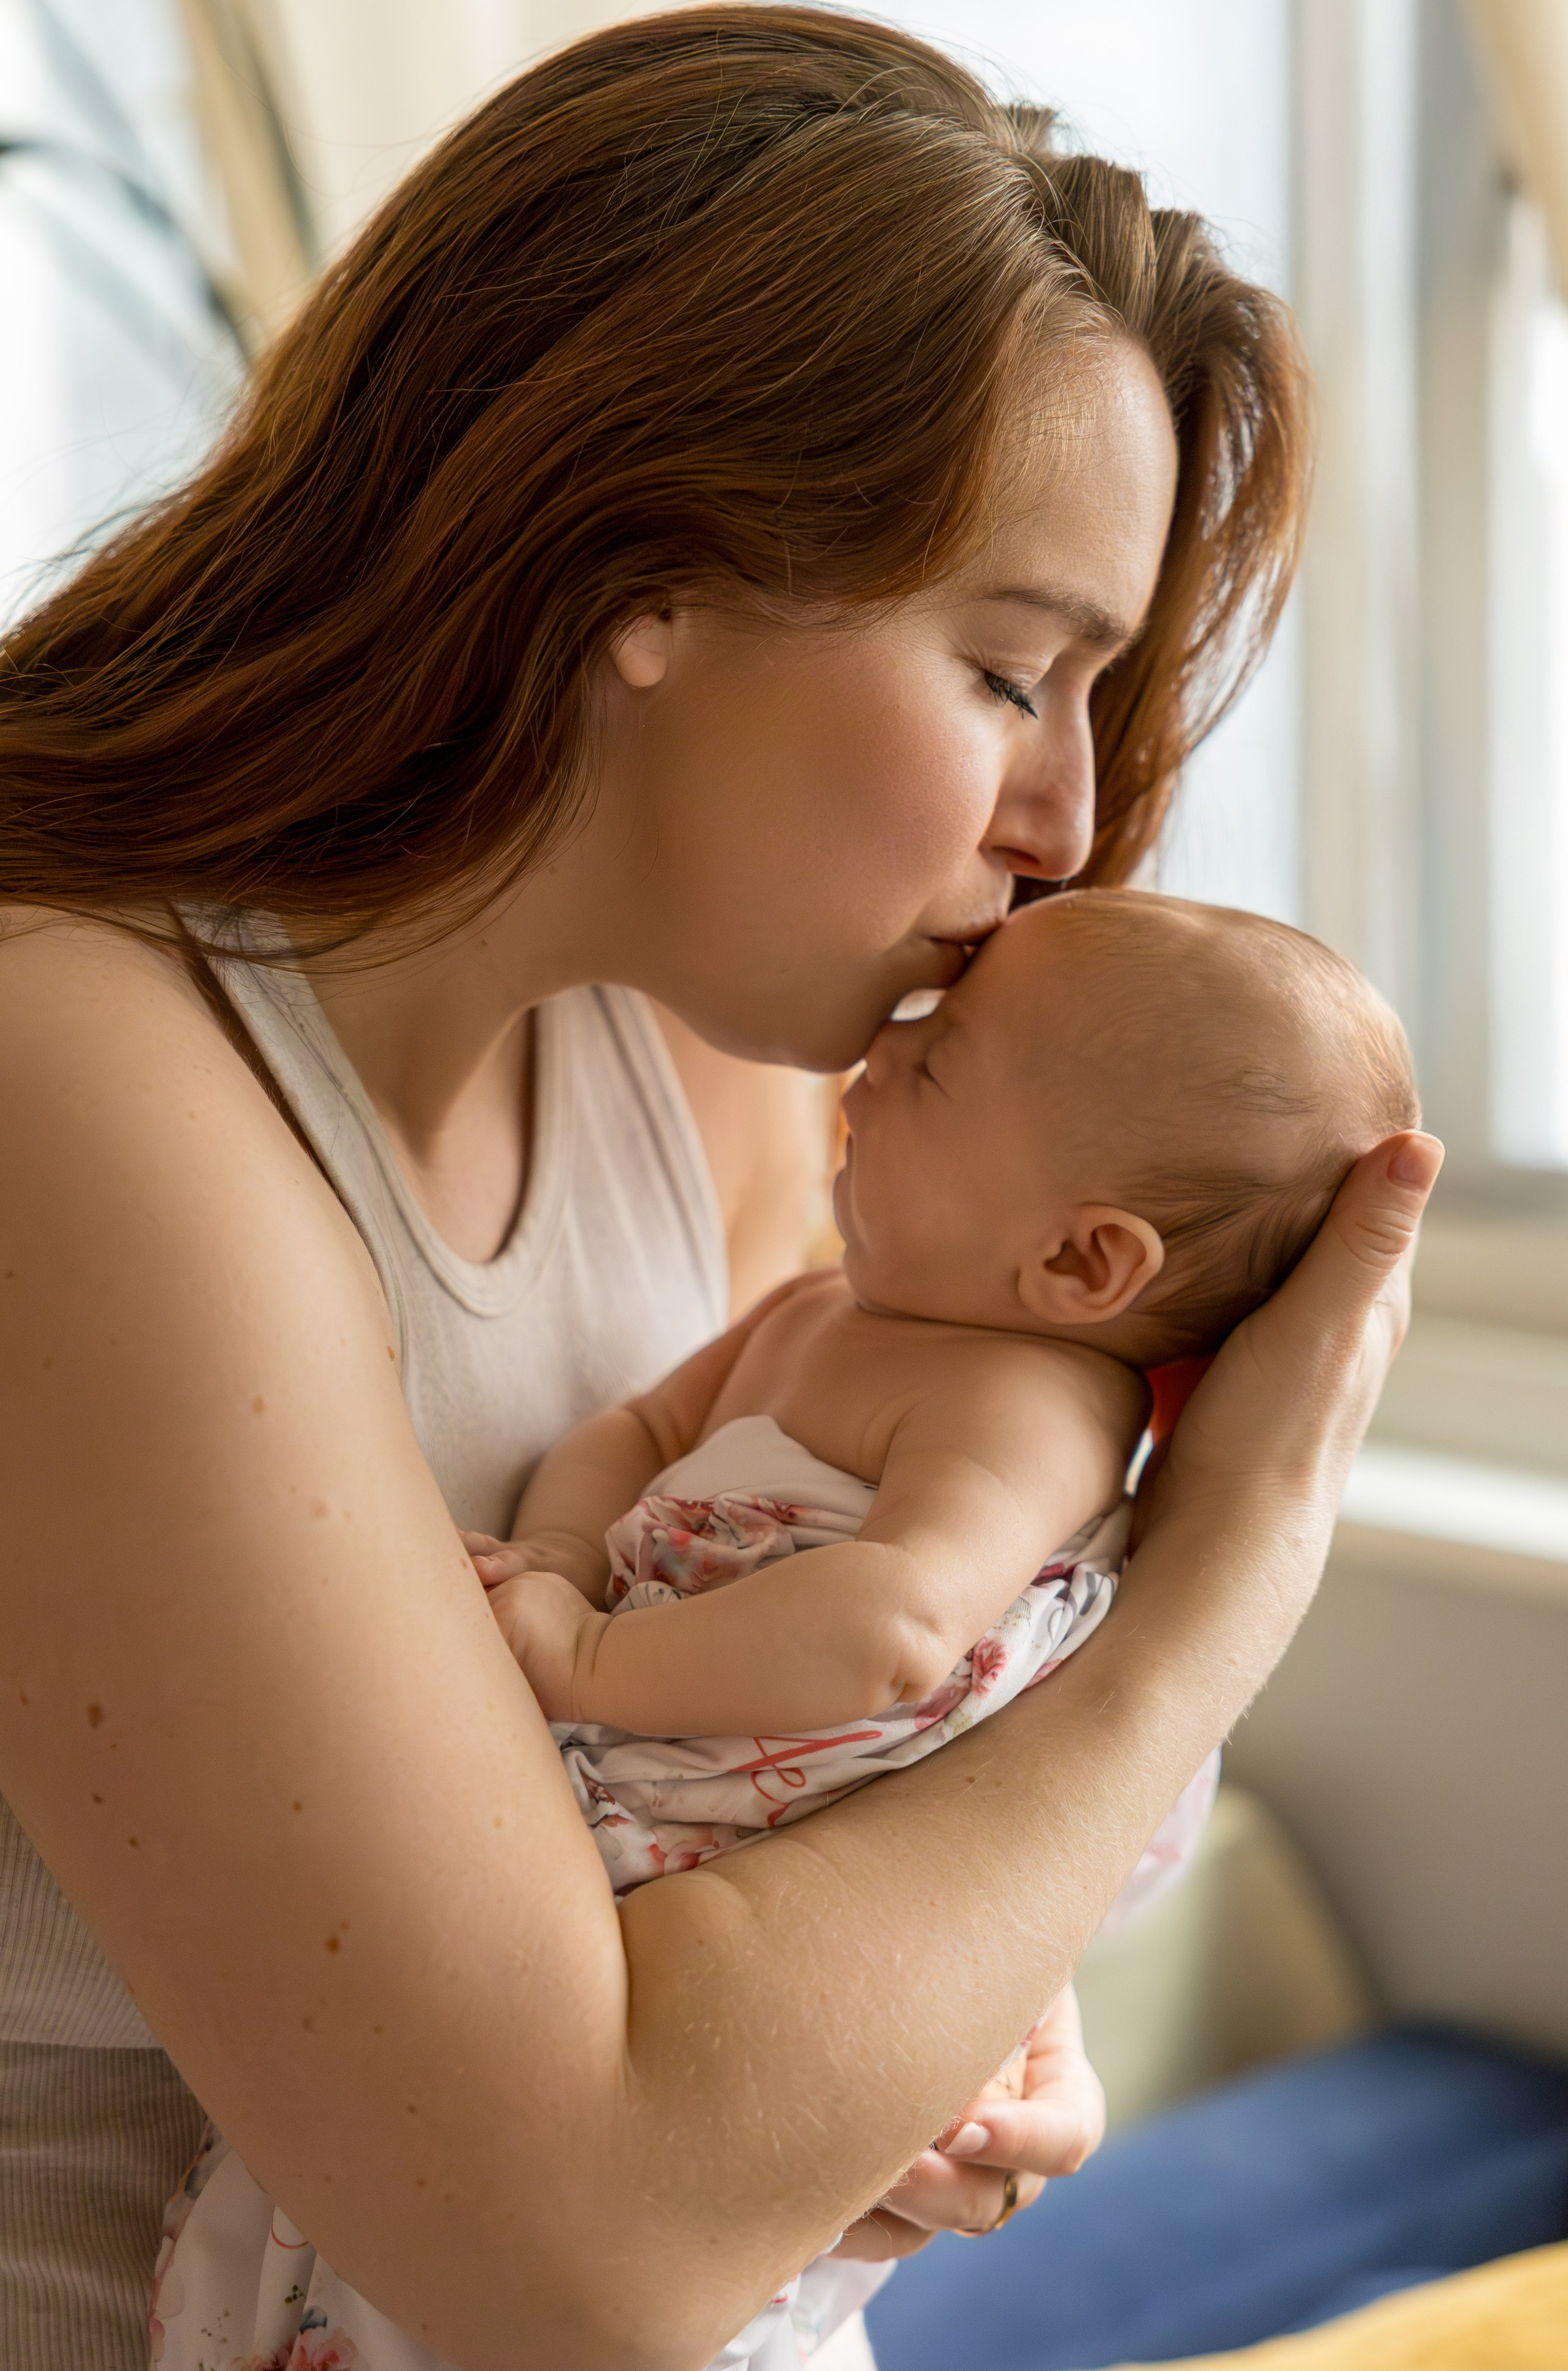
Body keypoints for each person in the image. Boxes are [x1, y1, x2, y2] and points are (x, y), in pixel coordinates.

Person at [0, 3, 1441, 2371]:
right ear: (641, 572)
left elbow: (794, 1796)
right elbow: (570, 2249)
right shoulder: (88, 1075)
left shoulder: (718, 1069)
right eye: (1006, 671)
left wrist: (957, 2018)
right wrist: (1220, 1593)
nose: (1064, 826)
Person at [147, 887, 1419, 2371]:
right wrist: (561, 1550)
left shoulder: (1026, 1410)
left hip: (743, 1818)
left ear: (1081, 1266)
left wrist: (582, 1654)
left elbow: (889, 1632)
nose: (877, 1059)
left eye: (937, 1067)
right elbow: (639, 1427)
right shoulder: (816, 1310)